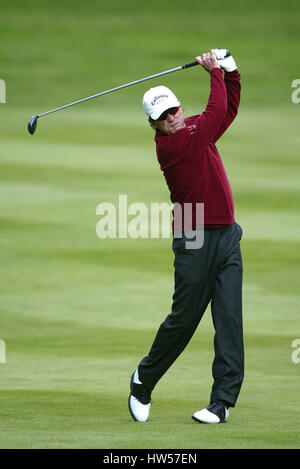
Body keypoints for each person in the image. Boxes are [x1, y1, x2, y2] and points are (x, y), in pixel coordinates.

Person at [128, 49, 244, 424]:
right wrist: (214, 72)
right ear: (154, 125)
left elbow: (226, 112)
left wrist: (231, 70)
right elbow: (213, 114)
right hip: (193, 236)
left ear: (179, 107)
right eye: (162, 117)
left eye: (173, 111)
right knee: (185, 319)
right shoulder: (173, 146)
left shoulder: (194, 128)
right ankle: (143, 380)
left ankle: (222, 403)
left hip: (226, 234)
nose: (172, 119)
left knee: (229, 318)